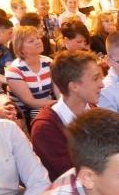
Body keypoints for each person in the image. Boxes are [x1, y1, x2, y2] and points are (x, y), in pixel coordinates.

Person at [31, 50, 103, 181]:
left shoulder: (93, 110)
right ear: (74, 86)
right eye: (95, 78)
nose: (102, 84)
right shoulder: (45, 128)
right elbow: (73, 175)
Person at [5, 26, 55, 123]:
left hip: (48, 105)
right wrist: (58, 103)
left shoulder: (48, 62)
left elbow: (59, 90)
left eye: (38, 38)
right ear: (21, 48)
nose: (38, 41)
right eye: (31, 41)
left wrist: (62, 104)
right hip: (23, 113)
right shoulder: (14, 70)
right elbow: (30, 102)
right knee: (42, 116)